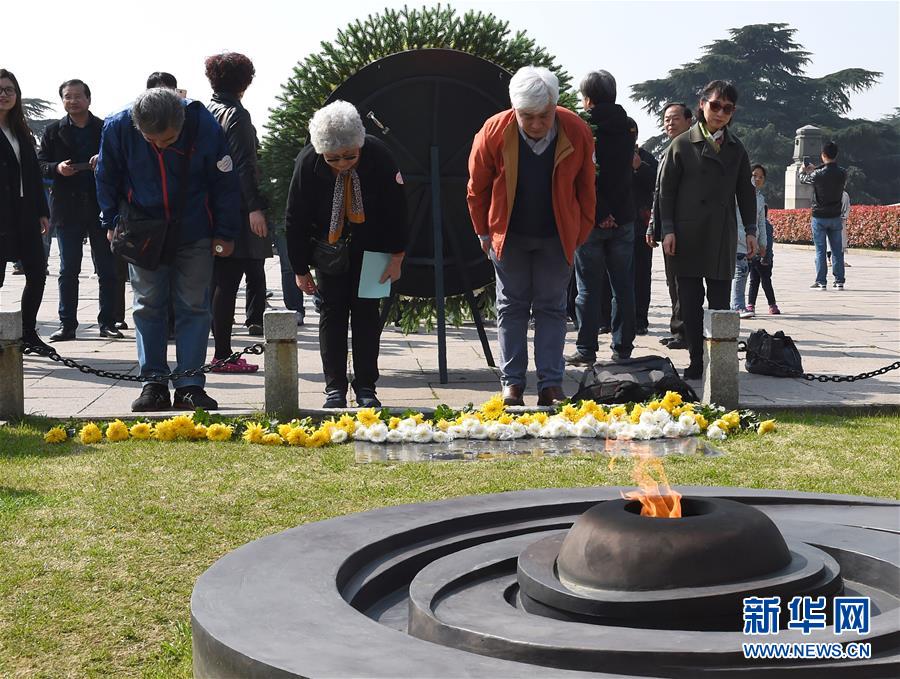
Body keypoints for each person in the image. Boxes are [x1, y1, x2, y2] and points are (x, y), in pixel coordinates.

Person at [96, 87, 241, 411]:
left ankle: (190, 383)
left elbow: (225, 181)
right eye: (151, 140)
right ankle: (154, 382)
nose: (159, 145)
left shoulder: (203, 123)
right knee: (147, 305)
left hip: (195, 228)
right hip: (143, 229)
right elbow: (106, 175)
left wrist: (226, 231)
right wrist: (110, 219)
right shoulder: (117, 126)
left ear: (181, 120)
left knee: (194, 305)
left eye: (168, 139)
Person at [468, 66, 595, 407]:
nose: (537, 124)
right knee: (511, 307)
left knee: (553, 308)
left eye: (544, 116)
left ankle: (551, 385)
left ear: (556, 105)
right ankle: (512, 384)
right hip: (509, 237)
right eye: (528, 117)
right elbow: (476, 189)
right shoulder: (493, 131)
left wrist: (579, 232)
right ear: (514, 110)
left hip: (558, 235)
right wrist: (483, 232)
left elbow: (586, 186)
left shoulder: (576, 129)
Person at [285, 100, 407, 409]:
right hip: (330, 250)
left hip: (375, 247)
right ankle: (334, 387)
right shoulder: (308, 163)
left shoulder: (379, 155)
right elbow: (294, 217)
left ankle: (366, 386)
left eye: (350, 156)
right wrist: (300, 268)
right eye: (333, 158)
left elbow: (398, 209)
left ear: (360, 144)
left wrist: (397, 256)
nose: (342, 164)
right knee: (332, 314)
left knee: (367, 315)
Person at [658, 80, 757, 380]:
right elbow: (666, 192)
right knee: (688, 303)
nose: (720, 113)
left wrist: (751, 230)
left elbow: (746, 191)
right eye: (715, 105)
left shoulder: (736, 148)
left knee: (720, 304)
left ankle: (718, 362)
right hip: (686, 234)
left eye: (727, 109)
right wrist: (667, 229)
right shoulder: (682, 144)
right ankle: (696, 359)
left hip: (720, 234)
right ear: (702, 104)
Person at [38, 79, 122, 342]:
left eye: (77, 96)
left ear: (88, 99)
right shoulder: (53, 131)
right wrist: (56, 168)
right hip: (66, 206)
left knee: (107, 267)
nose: (72, 101)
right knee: (68, 269)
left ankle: (107, 321)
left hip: (100, 205)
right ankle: (67, 324)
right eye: (67, 97)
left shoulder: (105, 128)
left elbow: (120, 159)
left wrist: (104, 160)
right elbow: (39, 164)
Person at [205, 52, 273, 373]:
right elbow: (244, 165)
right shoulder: (236, 116)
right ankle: (222, 353)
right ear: (245, 81)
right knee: (232, 280)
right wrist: (256, 207)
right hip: (240, 209)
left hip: (216, 207)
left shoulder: (207, 111)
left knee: (222, 280)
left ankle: (221, 351)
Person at [567, 70, 636, 368]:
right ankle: (622, 348)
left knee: (588, 288)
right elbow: (620, 172)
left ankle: (586, 348)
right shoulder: (628, 127)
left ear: (588, 98)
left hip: (592, 218)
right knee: (623, 285)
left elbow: (588, 173)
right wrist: (614, 211)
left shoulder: (583, 127)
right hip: (625, 216)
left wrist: (600, 211)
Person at [0, 69, 51, 354]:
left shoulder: (21, 128)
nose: (4, 94)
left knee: (37, 271)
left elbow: (32, 173)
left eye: (9, 89)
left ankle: (28, 332)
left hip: (25, 211)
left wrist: (42, 209)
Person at [648, 102, 693, 351]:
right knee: (672, 280)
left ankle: (685, 331)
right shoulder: (668, 150)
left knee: (682, 281)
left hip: (682, 227)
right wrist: (653, 225)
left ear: (689, 121)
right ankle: (678, 329)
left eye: (675, 118)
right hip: (667, 226)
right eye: (666, 119)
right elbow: (659, 193)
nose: (670, 123)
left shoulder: (690, 150)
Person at [799, 141, 847, 290]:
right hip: (835, 215)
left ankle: (821, 281)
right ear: (836, 154)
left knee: (820, 250)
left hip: (819, 216)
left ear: (823, 155)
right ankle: (839, 280)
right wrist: (818, 168)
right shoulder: (842, 173)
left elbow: (803, 179)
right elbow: (831, 170)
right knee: (837, 250)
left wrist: (803, 170)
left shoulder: (817, 174)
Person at [631, 120, 657, 335]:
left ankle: (640, 320)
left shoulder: (647, 158)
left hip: (641, 226)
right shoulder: (611, 154)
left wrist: (640, 167)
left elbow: (658, 186)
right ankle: (608, 319)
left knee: (641, 276)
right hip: (615, 225)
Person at [746, 165, 780, 315]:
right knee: (752, 279)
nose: (757, 179)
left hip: (762, 251)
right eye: (754, 175)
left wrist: (765, 254)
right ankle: (749, 305)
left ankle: (771, 304)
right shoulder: (745, 196)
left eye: (761, 177)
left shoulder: (760, 199)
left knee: (765, 280)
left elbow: (766, 233)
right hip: (748, 247)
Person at [837, 189, 851, 267]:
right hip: (833, 219)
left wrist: (844, 216)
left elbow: (847, 206)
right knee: (829, 241)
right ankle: (829, 259)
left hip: (841, 219)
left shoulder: (845, 194)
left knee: (841, 241)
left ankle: (840, 260)